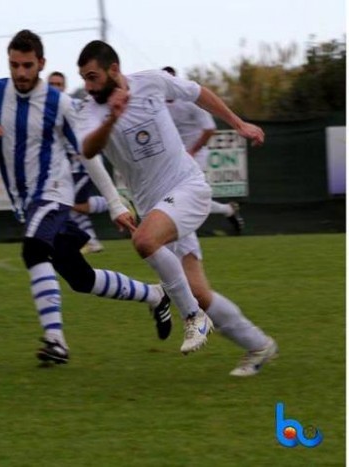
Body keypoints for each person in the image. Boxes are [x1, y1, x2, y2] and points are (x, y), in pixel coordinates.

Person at [0, 30, 172, 366]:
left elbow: (88, 156)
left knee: (34, 250)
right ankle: (154, 295)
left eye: (28, 65)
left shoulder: (61, 105)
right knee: (80, 278)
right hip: (26, 203)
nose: (22, 73)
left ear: (41, 63)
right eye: (15, 65)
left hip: (54, 194)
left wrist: (115, 203)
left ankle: (56, 341)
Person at [76, 40, 278, 375]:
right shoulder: (90, 111)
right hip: (157, 210)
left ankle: (192, 318)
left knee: (143, 241)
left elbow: (198, 92)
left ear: (114, 70)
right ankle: (259, 345)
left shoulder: (152, 81)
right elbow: (88, 148)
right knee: (199, 291)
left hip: (187, 187)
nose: (88, 85)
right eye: (84, 78)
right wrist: (112, 118)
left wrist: (238, 123)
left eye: (93, 77)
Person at [162, 66, 244, 234]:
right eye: (164, 81)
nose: (167, 85)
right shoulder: (158, 105)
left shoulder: (189, 102)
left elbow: (209, 129)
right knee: (179, 196)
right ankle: (227, 210)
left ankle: (180, 230)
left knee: (185, 195)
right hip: (176, 156)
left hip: (197, 155)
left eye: (170, 81)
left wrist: (193, 150)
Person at [47, 70, 108, 254]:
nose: (56, 88)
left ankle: (118, 200)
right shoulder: (44, 111)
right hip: (66, 167)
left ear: (64, 87)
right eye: (52, 84)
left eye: (59, 84)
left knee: (75, 205)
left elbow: (93, 117)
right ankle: (92, 242)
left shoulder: (74, 105)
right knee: (72, 207)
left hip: (83, 163)